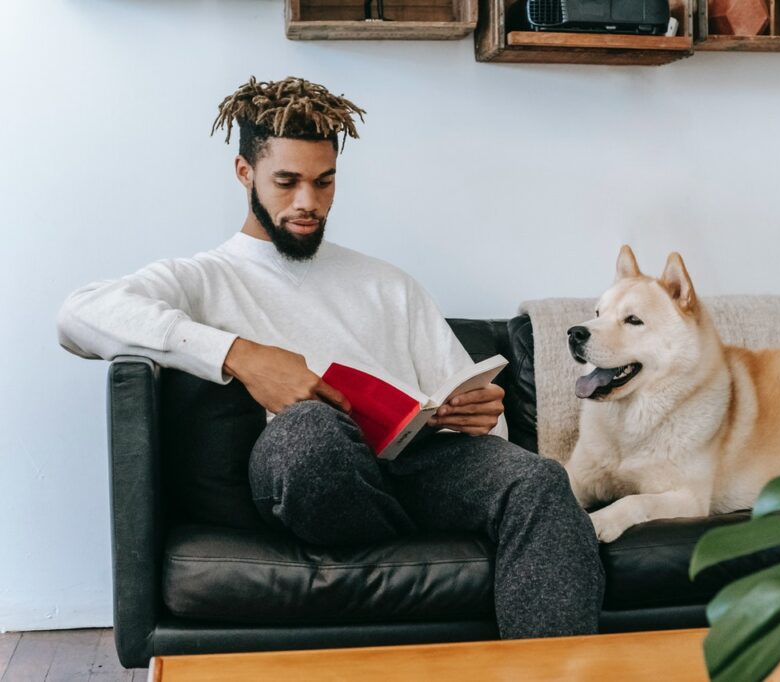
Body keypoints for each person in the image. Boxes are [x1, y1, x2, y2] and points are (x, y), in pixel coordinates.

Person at [56, 76, 604, 639]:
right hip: (306, 470)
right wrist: (240, 354)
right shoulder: (204, 277)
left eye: (324, 183)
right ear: (245, 174)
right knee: (310, 433)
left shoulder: (388, 283)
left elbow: (466, 407)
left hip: (416, 466)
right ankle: (409, 529)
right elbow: (79, 315)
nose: (307, 204)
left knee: (537, 480)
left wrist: (481, 413)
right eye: (287, 182)